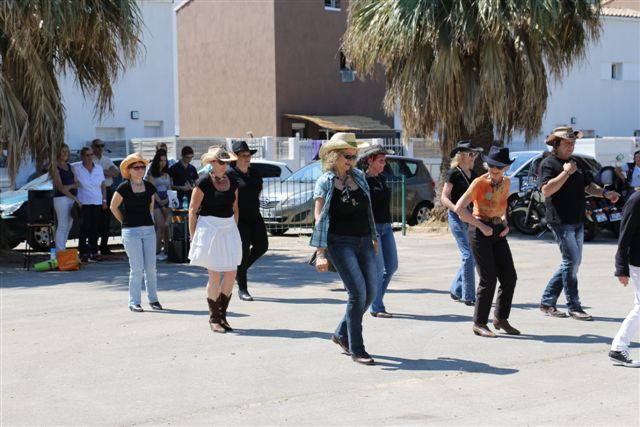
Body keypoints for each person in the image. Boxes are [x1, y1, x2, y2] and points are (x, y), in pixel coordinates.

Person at [538, 126, 620, 320]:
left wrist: (606, 194)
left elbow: (588, 186)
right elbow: (546, 191)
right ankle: (574, 306)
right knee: (571, 262)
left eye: (573, 142)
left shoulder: (576, 163)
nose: (571, 146)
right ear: (556, 144)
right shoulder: (548, 164)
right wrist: (565, 173)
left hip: (577, 219)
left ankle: (547, 301)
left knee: (572, 263)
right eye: (567, 142)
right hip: (560, 220)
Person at [311, 132, 378, 365]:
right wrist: (320, 253)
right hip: (340, 243)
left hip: (364, 241)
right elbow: (319, 218)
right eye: (347, 155)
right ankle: (357, 348)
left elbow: (367, 209)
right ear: (334, 156)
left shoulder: (359, 176)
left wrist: (374, 236)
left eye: (354, 155)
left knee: (370, 293)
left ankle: (341, 333)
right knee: (357, 294)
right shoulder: (325, 182)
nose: (351, 159)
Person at [454, 146, 519, 338]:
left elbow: (503, 205)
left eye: (498, 167)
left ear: (506, 167)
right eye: (491, 166)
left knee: (509, 276)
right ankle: (479, 323)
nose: (493, 170)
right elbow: (459, 209)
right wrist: (481, 226)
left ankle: (500, 318)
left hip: (498, 229)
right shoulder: (478, 183)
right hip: (479, 228)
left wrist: (505, 223)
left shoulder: (506, 182)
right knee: (488, 278)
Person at [188, 146, 242, 334]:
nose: (223, 165)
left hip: (228, 229)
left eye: (225, 162)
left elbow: (235, 207)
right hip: (209, 229)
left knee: (230, 273)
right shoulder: (203, 181)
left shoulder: (232, 181)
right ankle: (214, 318)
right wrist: (193, 236)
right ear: (211, 163)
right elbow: (193, 210)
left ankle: (223, 315)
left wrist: (233, 229)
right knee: (214, 274)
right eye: (220, 161)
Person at [110, 153, 162, 312]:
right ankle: (134, 301)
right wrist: (124, 222)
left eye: (142, 167)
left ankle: (153, 299)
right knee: (137, 268)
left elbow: (151, 207)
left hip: (148, 229)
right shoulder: (123, 188)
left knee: (151, 267)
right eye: (136, 167)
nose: (140, 170)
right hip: (130, 231)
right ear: (129, 170)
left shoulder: (149, 187)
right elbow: (113, 207)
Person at [356, 144, 397, 318]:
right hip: (372, 229)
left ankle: (375, 299)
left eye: (384, 161)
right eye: (381, 161)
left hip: (387, 227)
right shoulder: (362, 181)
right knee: (378, 270)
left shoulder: (382, 178)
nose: (383, 164)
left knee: (392, 266)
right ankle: (377, 306)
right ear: (370, 160)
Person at [441, 140, 483, 306]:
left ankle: (456, 289)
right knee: (468, 254)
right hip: (456, 217)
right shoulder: (453, 173)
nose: (474, 157)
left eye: (474, 154)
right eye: (471, 154)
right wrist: (456, 209)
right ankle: (469, 295)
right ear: (462, 156)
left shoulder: (473, 174)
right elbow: (444, 197)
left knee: (471, 256)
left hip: (470, 217)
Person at [227, 140, 269, 301]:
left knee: (262, 246)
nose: (247, 158)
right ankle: (243, 289)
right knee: (243, 253)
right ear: (235, 157)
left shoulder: (255, 173)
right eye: (243, 155)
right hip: (239, 218)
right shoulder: (230, 174)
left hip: (255, 215)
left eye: (248, 155)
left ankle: (240, 271)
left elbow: (257, 192)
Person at [609, 190, 640, 367]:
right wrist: (621, 268)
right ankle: (618, 349)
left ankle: (618, 348)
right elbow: (624, 235)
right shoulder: (636, 200)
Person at [72, 147, 106, 262]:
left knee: (95, 227)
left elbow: (103, 185)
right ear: (82, 156)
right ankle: (83, 252)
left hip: (97, 201)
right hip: (84, 202)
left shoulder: (99, 168)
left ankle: (94, 251)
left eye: (91, 155)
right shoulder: (76, 168)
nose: (89, 157)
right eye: (87, 155)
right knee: (84, 228)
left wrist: (104, 200)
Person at [91, 139, 119, 255]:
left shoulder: (106, 159)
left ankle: (104, 246)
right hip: (95, 191)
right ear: (93, 147)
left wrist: (101, 171)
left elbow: (115, 173)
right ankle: (93, 247)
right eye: (97, 146)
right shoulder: (90, 159)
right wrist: (107, 172)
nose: (100, 148)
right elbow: (92, 174)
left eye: (102, 145)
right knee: (95, 220)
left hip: (108, 190)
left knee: (106, 220)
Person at [53, 144, 81, 252]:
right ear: (58, 153)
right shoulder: (55, 167)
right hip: (61, 199)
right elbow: (60, 187)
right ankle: (60, 251)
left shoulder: (70, 166)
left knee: (69, 225)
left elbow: (77, 183)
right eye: (62, 151)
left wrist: (69, 187)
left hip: (71, 198)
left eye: (66, 151)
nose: (65, 153)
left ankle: (63, 248)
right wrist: (75, 197)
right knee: (63, 224)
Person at [145, 149, 172, 261]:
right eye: (161, 160)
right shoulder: (151, 173)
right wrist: (159, 201)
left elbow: (169, 188)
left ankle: (167, 250)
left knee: (167, 226)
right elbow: (151, 189)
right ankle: (156, 251)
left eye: (165, 160)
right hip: (155, 200)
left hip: (167, 199)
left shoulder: (167, 174)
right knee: (160, 226)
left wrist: (167, 200)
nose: (163, 162)